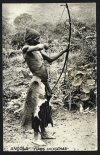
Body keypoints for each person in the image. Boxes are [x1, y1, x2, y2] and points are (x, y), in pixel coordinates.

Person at [21, 28, 68, 145]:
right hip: (37, 84)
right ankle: (36, 138)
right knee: (36, 110)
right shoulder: (26, 49)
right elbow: (36, 47)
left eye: (39, 38)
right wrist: (43, 45)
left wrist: (64, 51)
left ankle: (44, 132)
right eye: (37, 38)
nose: (38, 40)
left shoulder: (38, 51)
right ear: (31, 39)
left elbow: (50, 59)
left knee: (45, 108)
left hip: (44, 83)